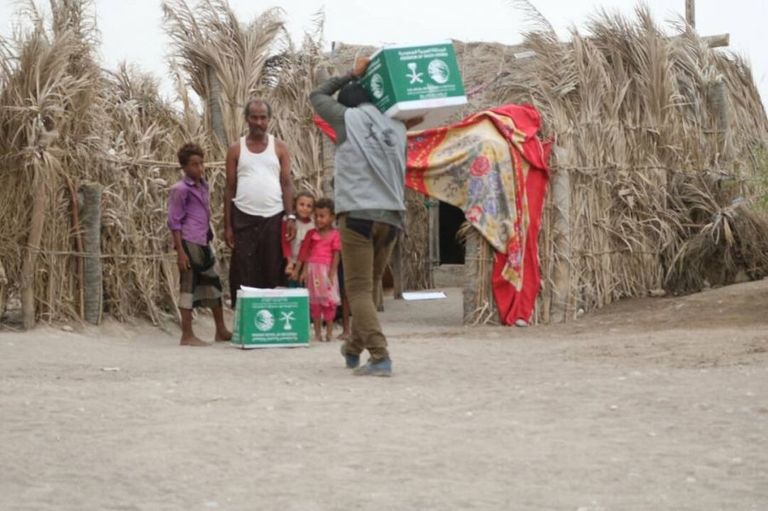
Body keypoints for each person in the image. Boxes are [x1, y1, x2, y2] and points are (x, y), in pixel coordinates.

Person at [310, 57, 422, 376]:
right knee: (370, 285)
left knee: (357, 290)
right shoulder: (398, 127)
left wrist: (349, 75)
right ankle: (352, 348)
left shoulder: (347, 119)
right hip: (391, 218)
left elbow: (316, 96)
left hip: (358, 214)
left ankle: (379, 355)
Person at [224, 99, 295, 306]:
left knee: (273, 267)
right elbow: (229, 188)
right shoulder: (236, 149)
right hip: (243, 217)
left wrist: (290, 216)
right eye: (254, 117)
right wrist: (228, 226)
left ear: (268, 120)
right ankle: (246, 318)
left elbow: (287, 183)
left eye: (262, 117)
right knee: (243, 268)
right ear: (247, 119)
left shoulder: (279, 147)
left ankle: (271, 321)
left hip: (274, 217)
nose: (258, 122)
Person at [167, 143, 232, 347]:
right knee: (188, 285)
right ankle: (187, 334)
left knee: (214, 282)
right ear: (184, 167)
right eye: (194, 164)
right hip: (188, 241)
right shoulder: (180, 190)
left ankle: (220, 330)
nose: (200, 168)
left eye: (201, 163)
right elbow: (174, 222)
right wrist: (180, 252)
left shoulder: (203, 185)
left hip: (204, 239)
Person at [297, 198, 341, 342]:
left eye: (322, 216)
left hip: (327, 273)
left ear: (332, 217)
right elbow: (307, 254)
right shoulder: (312, 234)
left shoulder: (335, 235)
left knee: (328, 302)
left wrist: (332, 273)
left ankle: (329, 332)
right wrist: (304, 271)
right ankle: (317, 333)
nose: (318, 219)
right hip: (313, 272)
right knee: (315, 303)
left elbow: (336, 254)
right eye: (316, 216)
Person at [281, 190, 315, 287]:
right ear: (295, 205)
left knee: (302, 287)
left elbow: (307, 249)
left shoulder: (312, 226)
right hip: (288, 261)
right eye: (302, 204)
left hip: (304, 264)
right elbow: (285, 242)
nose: (305, 208)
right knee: (289, 287)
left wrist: (300, 269)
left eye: (309, 206)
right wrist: (289, 261)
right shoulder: (288, 221)